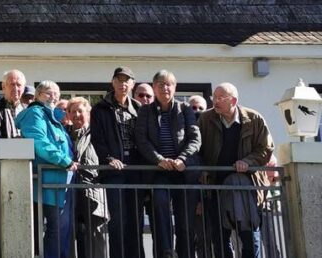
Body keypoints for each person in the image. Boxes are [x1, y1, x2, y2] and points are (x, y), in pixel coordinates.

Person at [198, 82, 274, 258]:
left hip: (246, 186)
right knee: (219, 237)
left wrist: (247, 162)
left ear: (233, 100)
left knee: (249, 234)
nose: (215, 102)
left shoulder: (254, 119)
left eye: (220, 98)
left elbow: (266, 149)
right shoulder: (205, 119)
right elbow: (197, 149)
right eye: (213, 98)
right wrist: (202, 171)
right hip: (215, 186)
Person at [135, 70, 201, 258]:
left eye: (169, 84)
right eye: (161, 84)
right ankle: (165, 254)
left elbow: (195, 138)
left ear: (175, 87)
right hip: (159, 172)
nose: (165, 87)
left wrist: (183, 159)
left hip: (184, 173)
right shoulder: (145, 111)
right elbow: (141, 140)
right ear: (154, 87)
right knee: (160, 211)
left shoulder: (185, 109)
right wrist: (159, 160)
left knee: (185, 223)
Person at [15, 81, 76, 258]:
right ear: (37, 96)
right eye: (48, 93)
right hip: (46, 181)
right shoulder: (35, 113)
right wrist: (65, 161)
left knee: (59, 230)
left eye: (56, 93)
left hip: (58, 181)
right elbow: (40, 142)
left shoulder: (53, 117)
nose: (53, 97)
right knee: (53, 229)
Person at [89, 66, 144, 258]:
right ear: (113, 82)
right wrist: (109, 159)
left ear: (132, 84)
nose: (123, 84)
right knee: (118, 221)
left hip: (136, 171)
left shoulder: (139, 108)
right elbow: (97, 139)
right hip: (114, 172)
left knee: (135, 221)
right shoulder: (99, 109)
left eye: (127, 80)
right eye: (119, 80)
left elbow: (145, 139)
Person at [66, 97, 108, 258]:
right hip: (68, 191)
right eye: (72, 111)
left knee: (97, 235)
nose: (76, 115)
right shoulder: (63, 133)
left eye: (80, 111)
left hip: (93, 191)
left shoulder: (97, 133)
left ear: (88, 113)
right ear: (68, 114)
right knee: (68, 235)